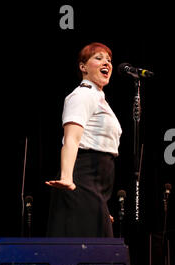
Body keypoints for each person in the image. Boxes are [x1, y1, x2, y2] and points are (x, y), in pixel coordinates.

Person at [45, 42, 122, 237]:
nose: (106, 63)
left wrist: (102, 204)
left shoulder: (99, 99)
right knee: (88, 250)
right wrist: (67, 178)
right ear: (83, 67)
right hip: (82, 177)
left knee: (98, 248)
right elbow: (71, 139)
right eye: (98, 58)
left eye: (109, 60)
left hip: (97, 182)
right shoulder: (81, 95)